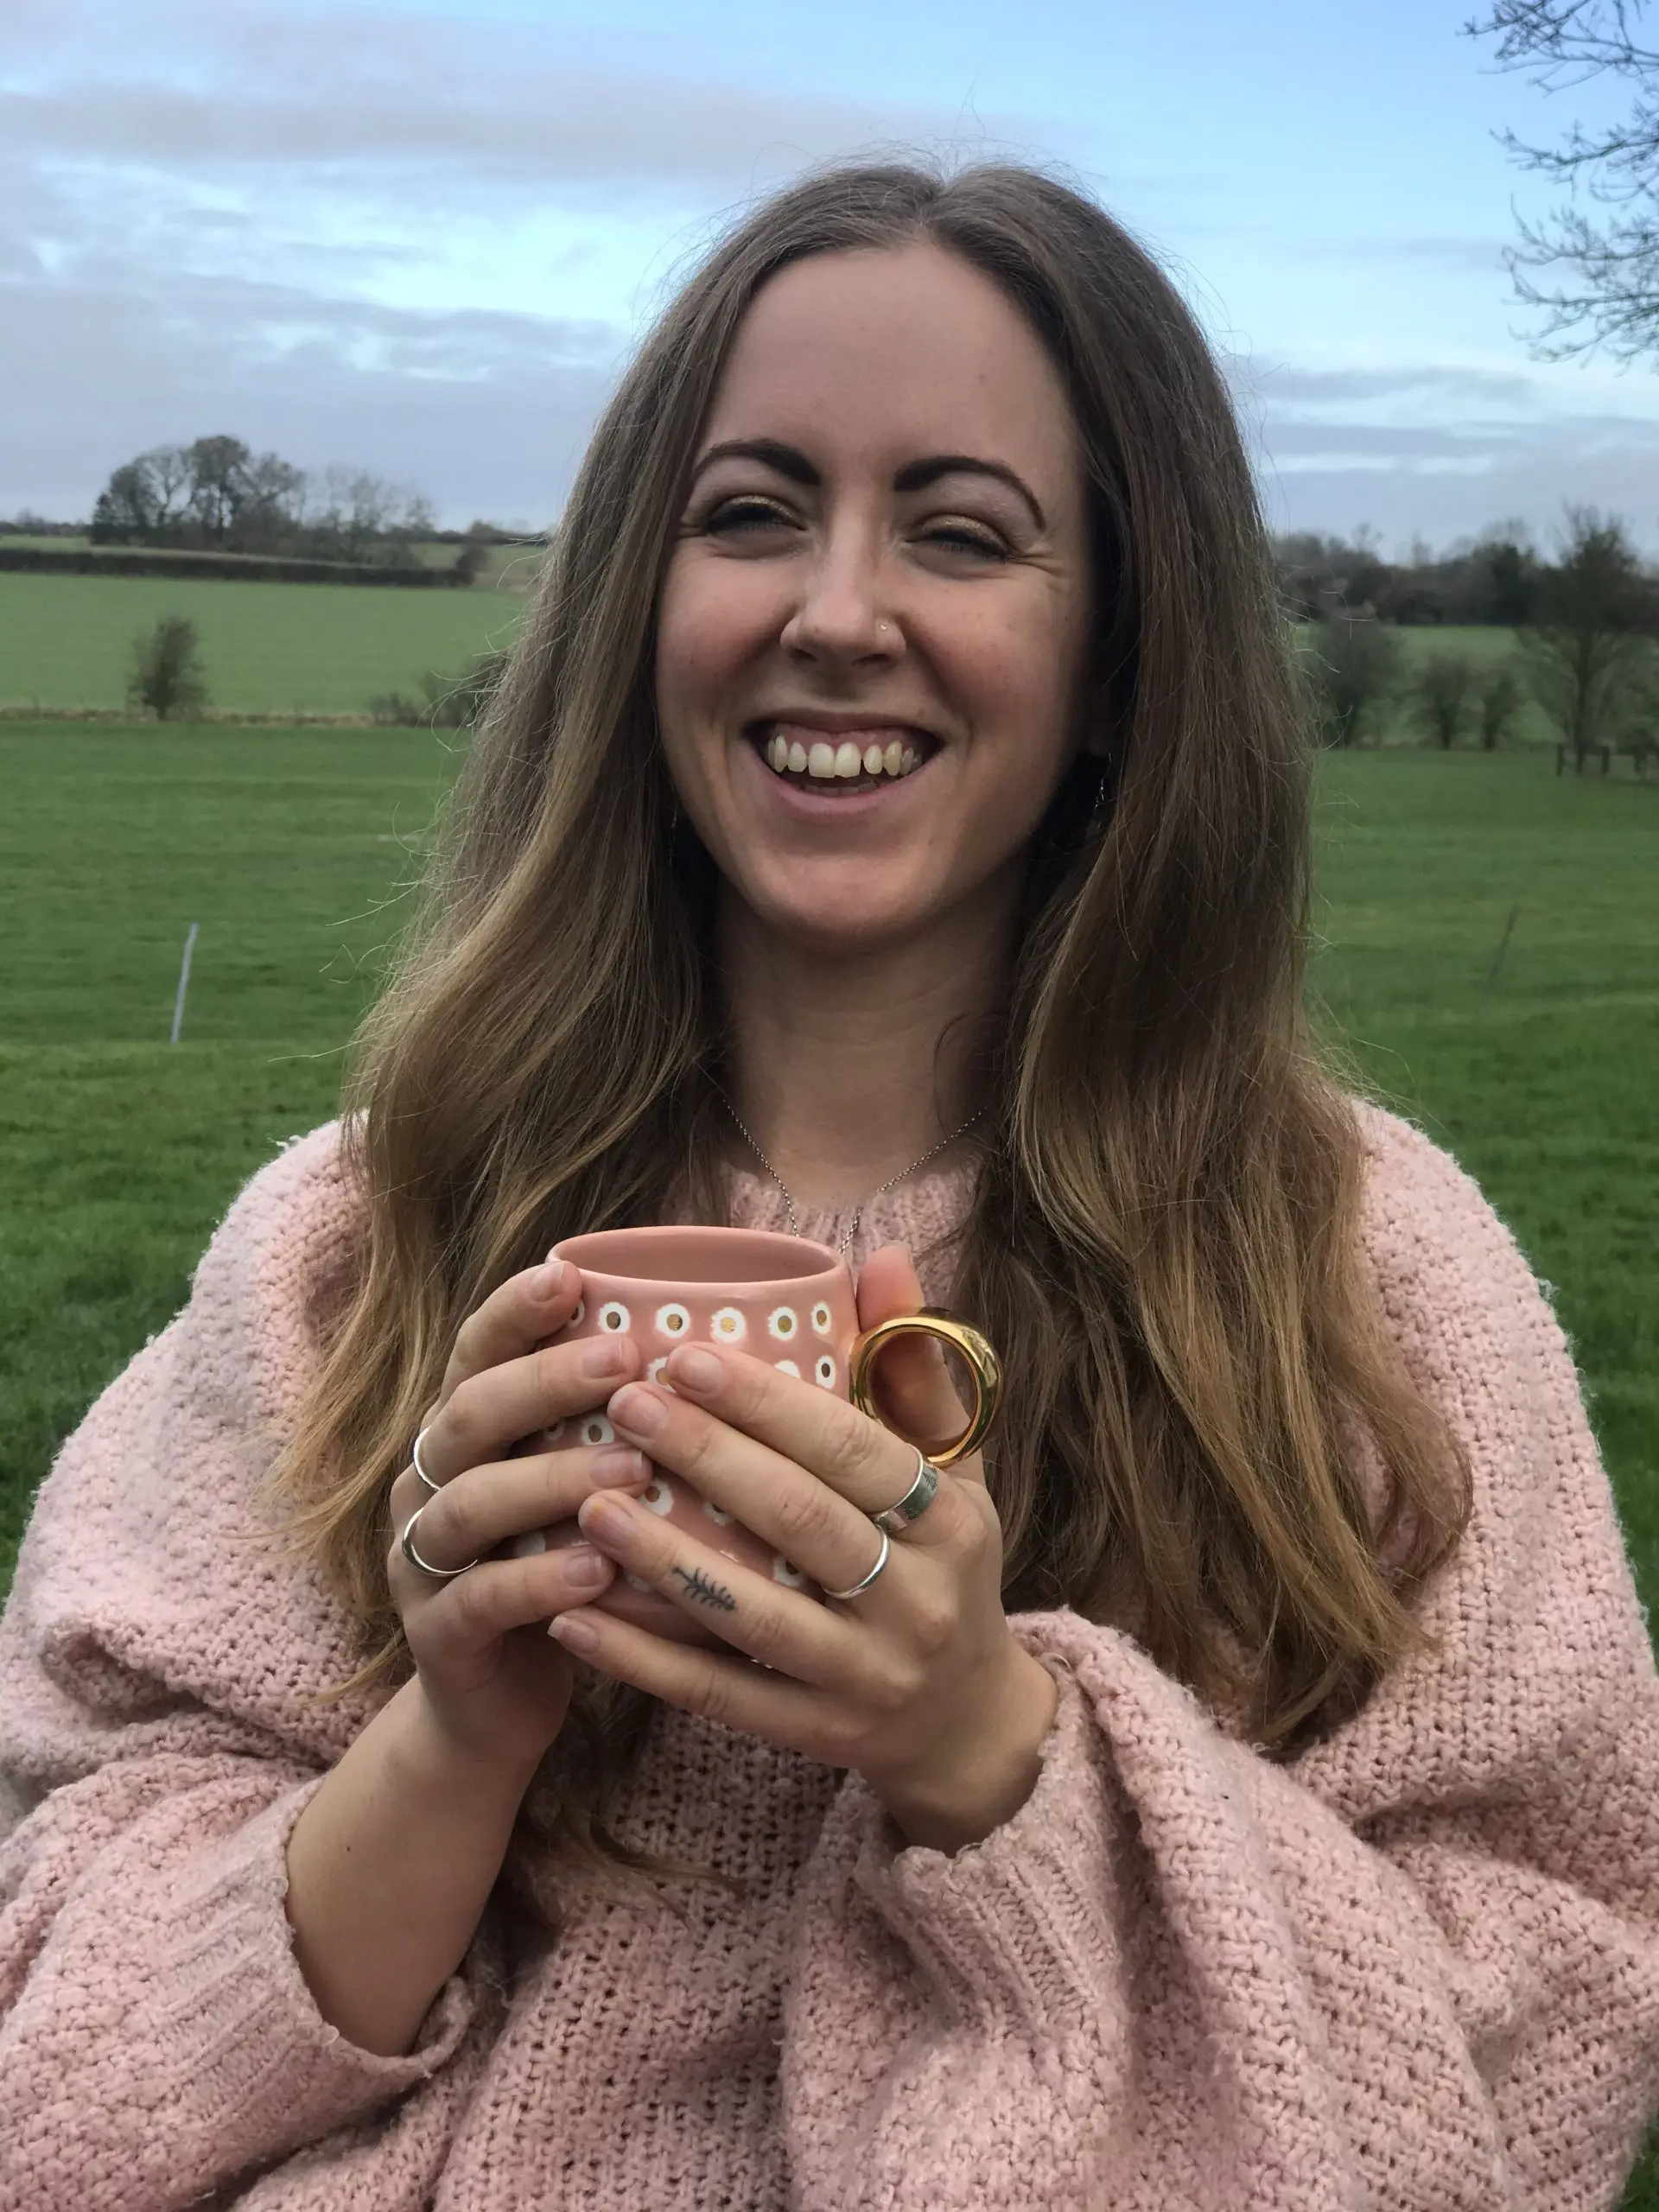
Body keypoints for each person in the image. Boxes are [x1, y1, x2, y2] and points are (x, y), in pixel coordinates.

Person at [2, 160, 1656, 2212]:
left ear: (1128, 662)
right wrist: (452, 1738)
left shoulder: (1362, 1278)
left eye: (961, 532)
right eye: (753, 511)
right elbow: (51, 2067)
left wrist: (994, 1752)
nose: (837, 611)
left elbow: (1551, 2045)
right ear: (637, 606)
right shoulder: (351, 1248)